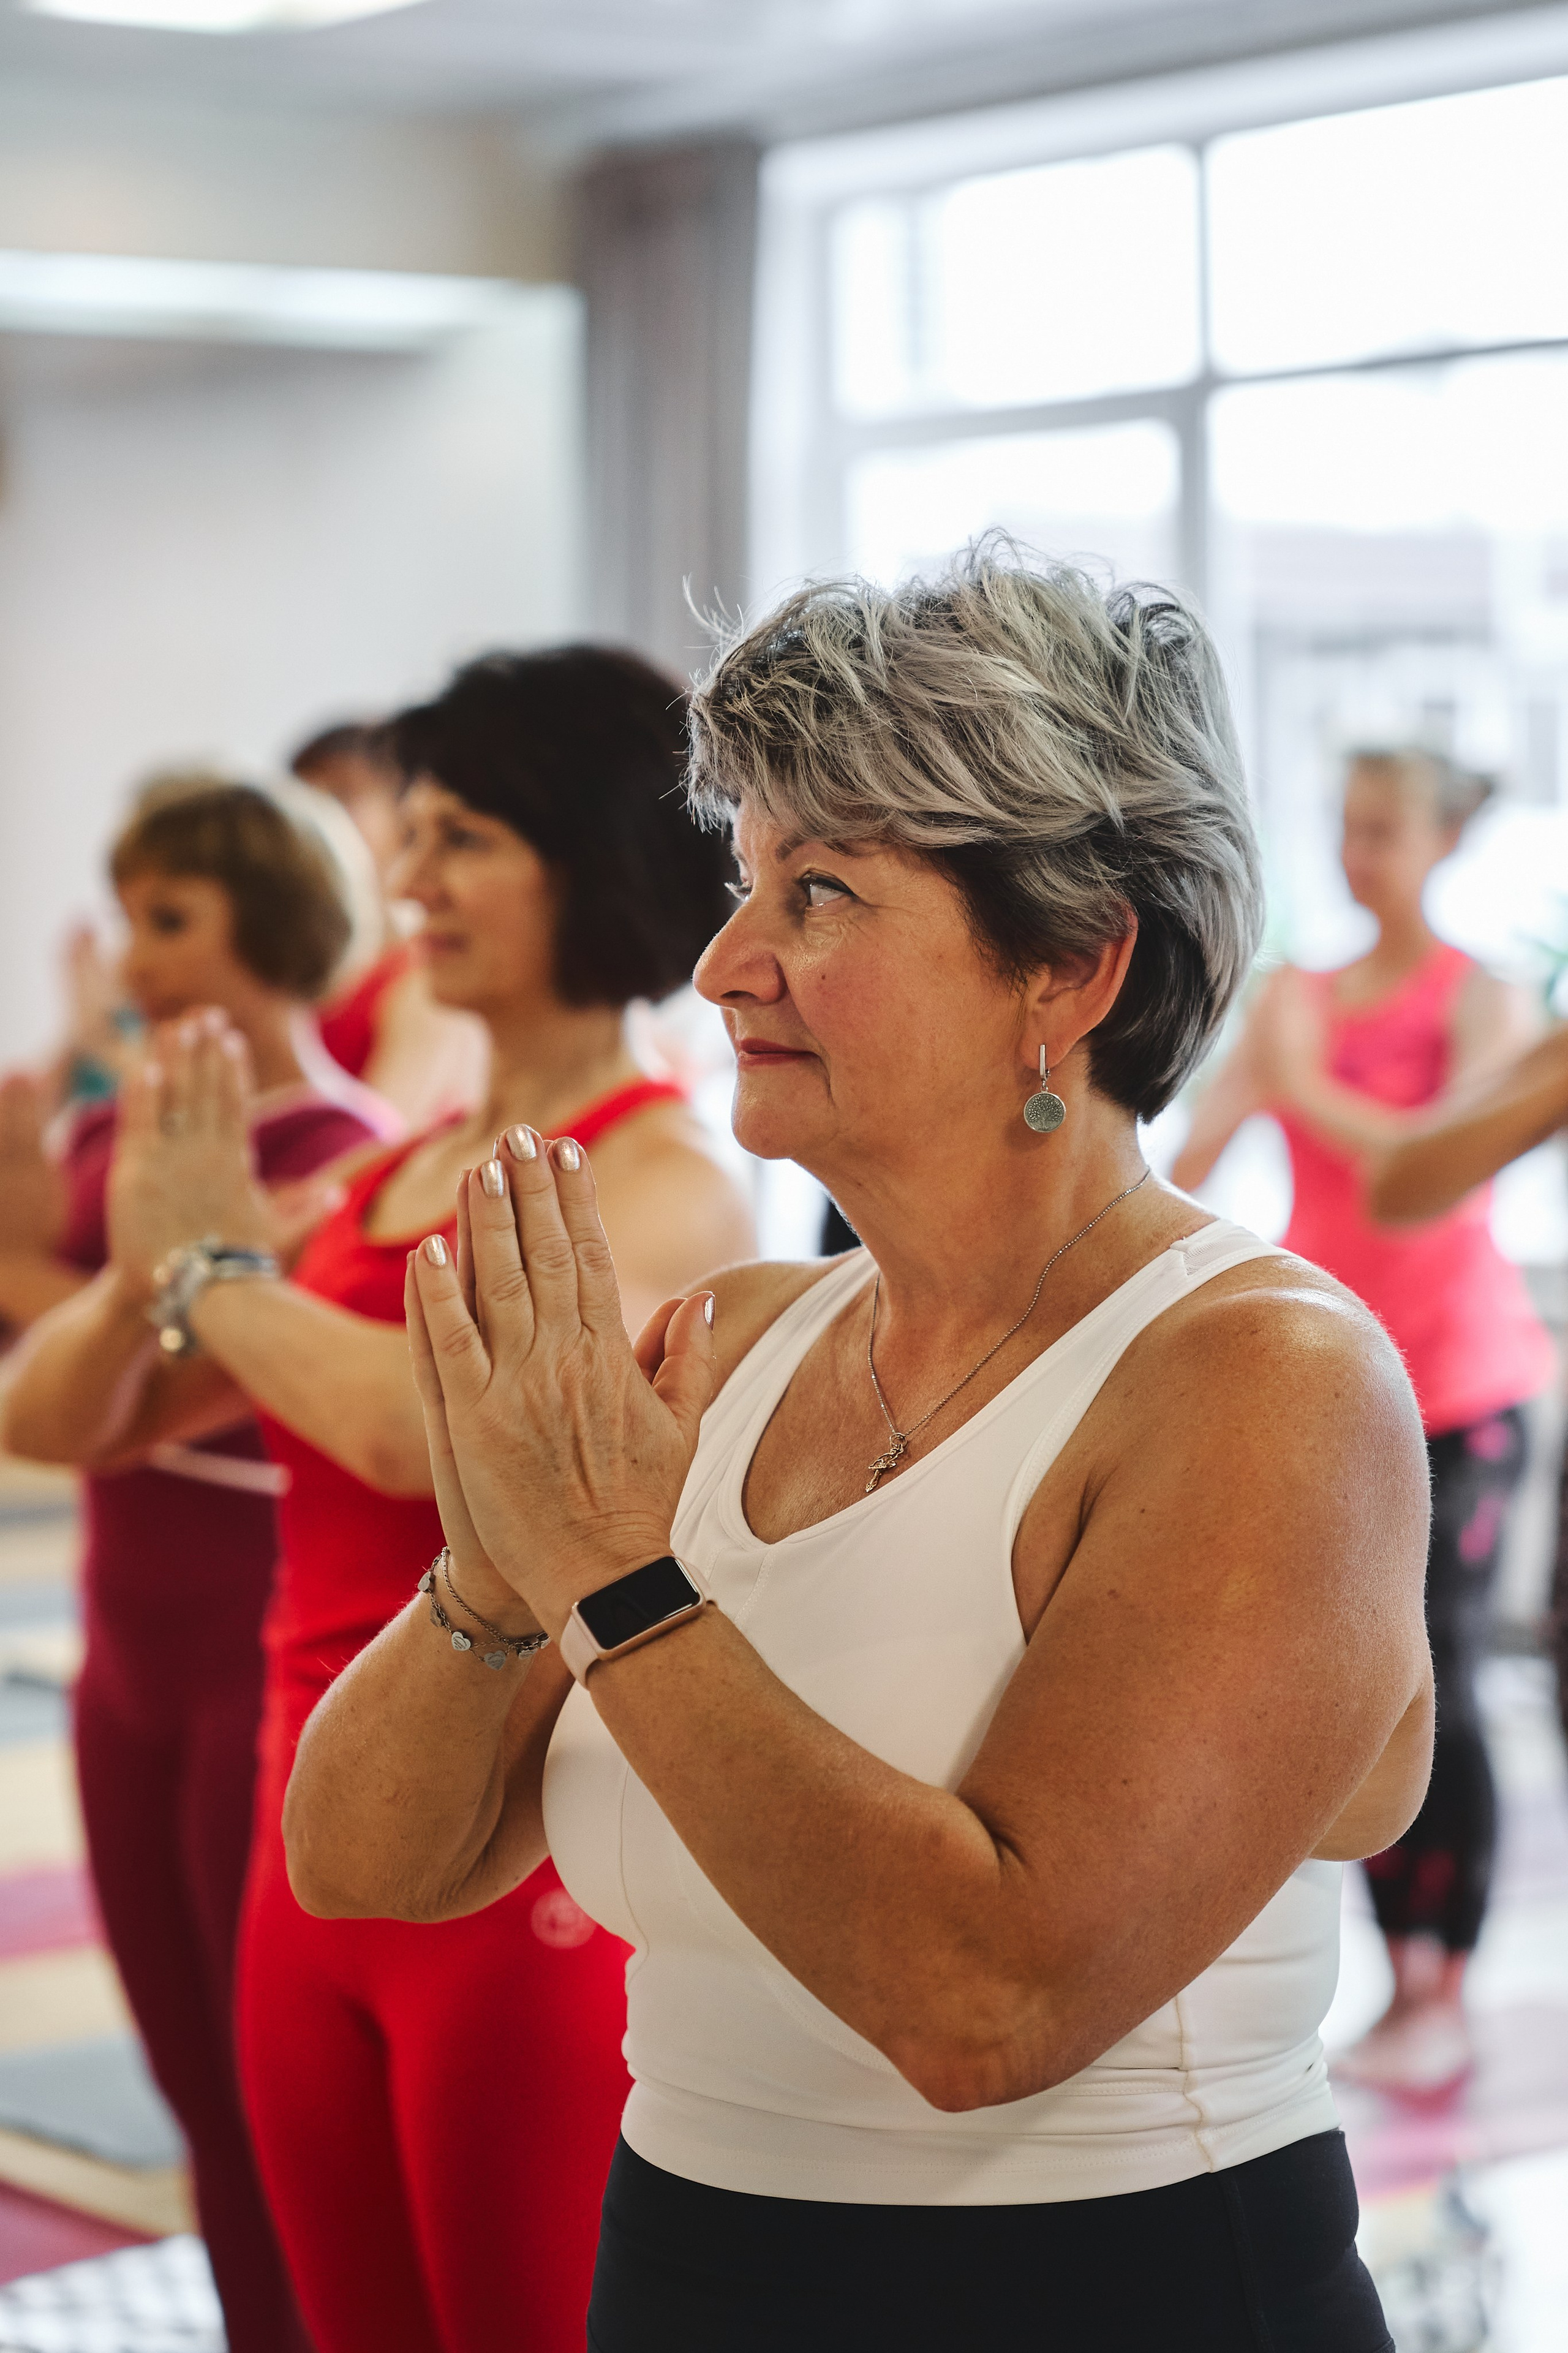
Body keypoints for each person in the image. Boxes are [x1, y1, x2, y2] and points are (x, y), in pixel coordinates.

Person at [282, 553, 1433, 2353]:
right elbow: (364, 1856)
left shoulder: (1262, 1378)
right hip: (688, 2272)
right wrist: (497, 1566)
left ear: (1068, 959)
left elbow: (985, 1999)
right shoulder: (738, 1339)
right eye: (746, 884)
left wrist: (618, 1574)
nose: (727, 961)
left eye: (816, 893)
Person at [3, 647, 754, 2353]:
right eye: (410, 837)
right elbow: (57, 1416)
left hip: (511, 1873)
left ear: (591, 855)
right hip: (310, 1833)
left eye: (464, 836)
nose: (406, 883)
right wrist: (146, 1290)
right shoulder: (389, 1173)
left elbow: (438, 1438)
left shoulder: (670, 1173)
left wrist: (198, 1270)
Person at [0, 781, 382, 2353]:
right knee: (183, 2087)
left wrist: (124, 1276)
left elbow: (121, 1379)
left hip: (249, 1668)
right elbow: (59, 1334)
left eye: (174, 918)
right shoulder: (123, 1130)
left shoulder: (347, 1156)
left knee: (260, 2089)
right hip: (120, 1669)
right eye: (131, 912)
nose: (138, 955)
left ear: (276, 930)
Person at [1174, 747, 1554, 2091]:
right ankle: (1375, 1967)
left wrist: (1297, 1079)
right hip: (1329, 1381)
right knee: (1351, 1672)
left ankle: (1436, 1983)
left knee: (1434, 1664)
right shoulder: (1294, 998)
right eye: (1342, 828)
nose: (1355, 854)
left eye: (1383, 830)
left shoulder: (1485, 999)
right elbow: (1189, 1159)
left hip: (1459, 1377)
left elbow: (1421, 1170)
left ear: (1441, 843)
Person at [293, 720, 488, 1127]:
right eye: (301, 802)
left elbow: (386, 1138)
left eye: (341, 796)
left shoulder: (429, 980)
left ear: (405, 816)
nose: (316, 822)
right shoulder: (293, 978)